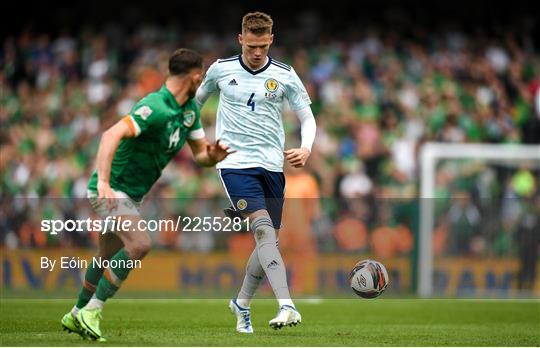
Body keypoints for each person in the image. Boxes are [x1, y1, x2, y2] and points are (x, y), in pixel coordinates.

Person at [61, 48, 232, 341]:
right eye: (201, 77)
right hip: (111, 189)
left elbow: (200, 156)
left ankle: (76, 313)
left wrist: (212, 156)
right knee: (140, 243)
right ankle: (93, 310)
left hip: (131, 194)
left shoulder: (189, 111)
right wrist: (102, 182)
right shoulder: (155, 107)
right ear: (194, 77)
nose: (201, 82)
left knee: (106, 256)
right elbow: (110, 135)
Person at [196, 11, 316, 333]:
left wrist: (305, 148)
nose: (257, 52)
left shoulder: (285, 75)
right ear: (241, 39)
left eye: (263, 46)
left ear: (271, 40)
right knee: (263, 231)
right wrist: (199, 144)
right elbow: (193, 104)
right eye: (251, 46)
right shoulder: (221, 70)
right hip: (234, 165)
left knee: (268, 241)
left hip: (272, 165)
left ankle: (241, 303)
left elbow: (307, 118)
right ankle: (287, 305)